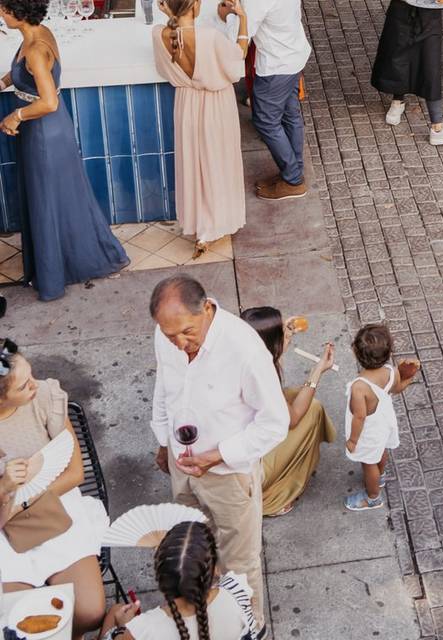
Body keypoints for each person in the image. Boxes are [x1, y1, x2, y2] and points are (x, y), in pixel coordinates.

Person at [149, 275, 288, 630]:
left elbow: (274, 422)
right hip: (182, 467)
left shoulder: (245, 349)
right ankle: (206, 620)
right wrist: (164, 442)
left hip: (228, 477)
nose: (179, 343)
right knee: (192, 553)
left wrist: (218, 454)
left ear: (207, 308)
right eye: (169, 336)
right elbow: (164, 387)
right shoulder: (166, 335)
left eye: (187, 333)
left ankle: (249, 627)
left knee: (239, 563)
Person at [0, 0, 128, 301]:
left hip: (44, 133)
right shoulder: (38, 33)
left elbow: (49, 102)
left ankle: (53, 275)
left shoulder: (34, 48)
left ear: (19, 12)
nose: (1, 14)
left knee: (47, 200)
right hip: (49, 129)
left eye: (4, 9)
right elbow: (22, 76)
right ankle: (55, 263)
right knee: (54, 198)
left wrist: (14, 115)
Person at [0, 339, 108, 639]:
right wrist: (5, 486)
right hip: (4, 526)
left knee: (89, 610)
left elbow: (75, 472)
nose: (34, 385)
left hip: (54, 504)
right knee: (18, 621)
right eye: (23, 386)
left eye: (30, 375)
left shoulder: (44, 397)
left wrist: (26, 501)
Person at [153, 0, 249, 259]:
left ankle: (200, 227)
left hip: (186, 104)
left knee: (193, 164)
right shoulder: (211, 37)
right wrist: (243, 20)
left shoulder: (160, 34)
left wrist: (169, 15)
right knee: (217, 162)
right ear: (195, 6)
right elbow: (237, 61)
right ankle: (215, 224)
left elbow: (165, 64)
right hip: (216, 103)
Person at [240, 307, 338, 517]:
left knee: (294, 394)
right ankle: (271, 499)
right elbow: (292, 419)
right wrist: (318, 370)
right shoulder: (263, 376)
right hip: (247, 469)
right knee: (312, 410)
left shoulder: (238, 357)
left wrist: (278, 341)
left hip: (234, 446)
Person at [98, 521, 257, 640]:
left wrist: (122, 628)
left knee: (114, 611)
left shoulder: (144, 629)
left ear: (161, 578)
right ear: (215, 568)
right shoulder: (237, 590)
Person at [218, 0, 310, 201]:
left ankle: (293, 180)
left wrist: (227, 15)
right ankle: (293, 173)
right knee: (290, 116)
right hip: (294, 54)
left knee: (266, 122)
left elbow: (238, 37)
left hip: (276, 66)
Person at [371, 1, 443, 146]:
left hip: (407, 8)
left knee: (401, 50)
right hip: (424, 12)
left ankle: (397, 102)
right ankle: (437, 127)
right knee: (428, 62)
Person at [343, 324, 419, 511]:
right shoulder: (391, 371)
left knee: (369, 463)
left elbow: (359, 417)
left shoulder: (359, 387)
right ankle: (381, 474)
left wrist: (353, 440)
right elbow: (398, 388)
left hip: (368, 431)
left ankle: (372, 497)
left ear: (355, 352)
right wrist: (409, 377)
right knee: (381, 451)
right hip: (383, 423)